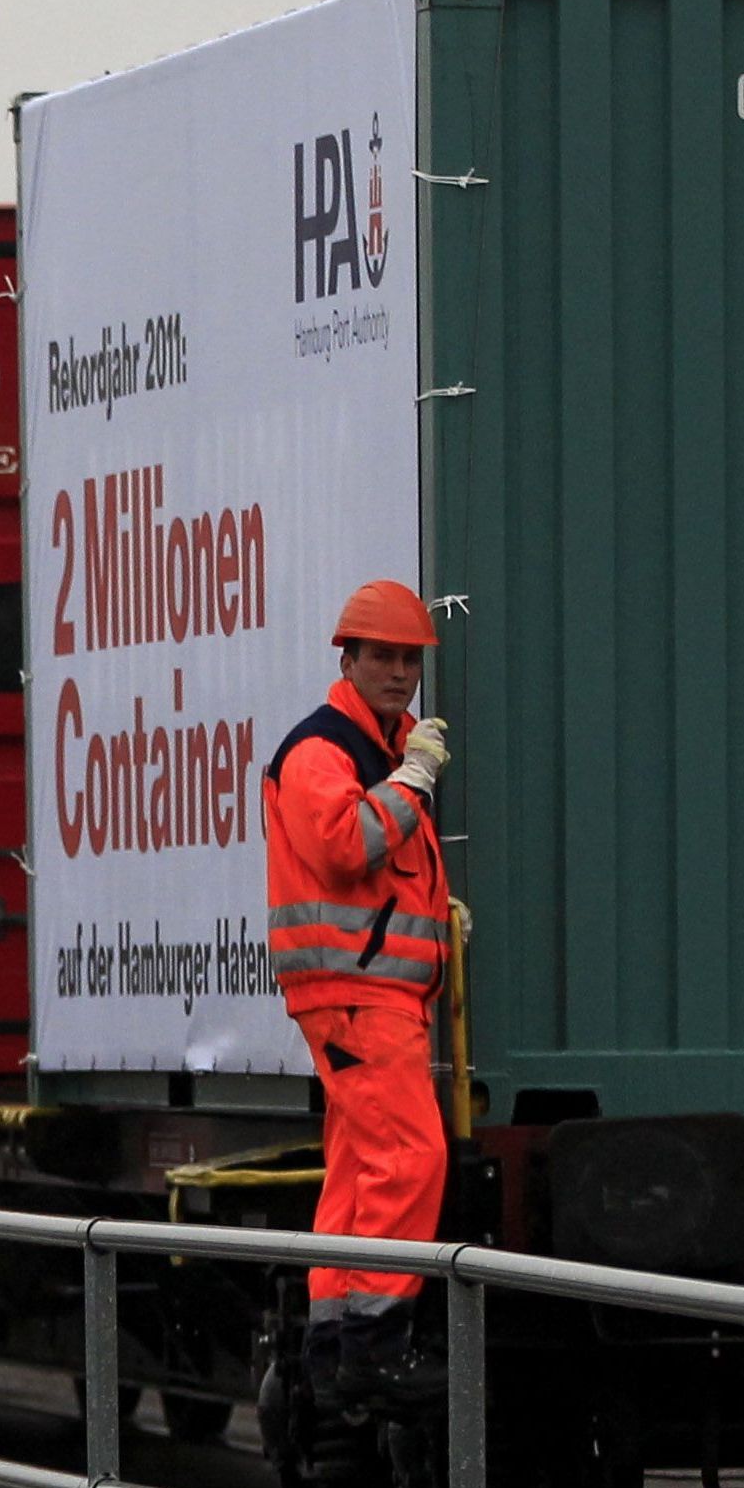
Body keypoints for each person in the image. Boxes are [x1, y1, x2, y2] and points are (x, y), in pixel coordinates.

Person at [262, 579, 453, 1407]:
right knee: (413, 1157)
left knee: (358, 1168)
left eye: (410, 658)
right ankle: (377, 1347)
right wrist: (413, 782)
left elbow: (377, 876)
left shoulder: (375, 748)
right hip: (356, 998)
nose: (399, 671)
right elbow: (349, 846)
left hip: (369, 996)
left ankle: (336, 1346)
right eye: (382, 656)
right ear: (348, 658)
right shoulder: (325, 750)